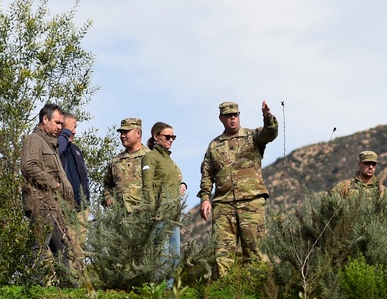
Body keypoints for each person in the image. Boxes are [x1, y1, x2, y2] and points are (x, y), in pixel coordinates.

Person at [198, 100, 278, 278]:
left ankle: (256, 293)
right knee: (221, 253)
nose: (232, 118)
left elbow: (270, 133)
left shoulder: (253, 136)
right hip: (223, 205)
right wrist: (204, 198)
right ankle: (224, 294)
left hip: (251, 202)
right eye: (228, 116)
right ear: (221, 118)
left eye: (235, 115)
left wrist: (267, 117)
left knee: (255, 251)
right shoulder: (214, 145)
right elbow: (206, 173)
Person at [20, 103, 77, 276]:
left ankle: (69, 289)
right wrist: (55, 184)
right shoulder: (34, 140)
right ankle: (33, 288)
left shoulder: (50, 144)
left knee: (63, 251)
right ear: (45, 119)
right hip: (41, 204)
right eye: (58, 122)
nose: (60, 127)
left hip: (55, 206)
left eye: (61, 124)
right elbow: (28, 166)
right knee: (38, 248)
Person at [142, 121, 188, 263]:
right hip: (160, 214)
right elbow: (147, 187)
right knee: (162, 255)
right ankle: (159, 285)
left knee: (175, 256)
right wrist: (153, 211)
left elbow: (174, 180)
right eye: (167, 137)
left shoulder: (168, 160)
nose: (171, 140)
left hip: (174, 213)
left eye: (173, 137)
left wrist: (182, 184)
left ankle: (169, 286)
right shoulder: (150, 157)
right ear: (156, 137)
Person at [57, 112, 91, 254]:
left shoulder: (76, 149)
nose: (74, 132)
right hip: (61, 208)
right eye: (71, 128)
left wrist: (86, 202)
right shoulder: (53, 146)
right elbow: (57, 150)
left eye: (75, 127)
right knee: (57, 253)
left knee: (77, 253)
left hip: (80, 209)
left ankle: (76, 276)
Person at [331, 150, 387, 217]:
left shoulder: (383, 190)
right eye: (367, 163)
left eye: (373, 164)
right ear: (359, 164)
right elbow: (331, 208)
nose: (370, 167)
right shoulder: (345, 186)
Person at [103, 117, 148, 212]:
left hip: (145, 216)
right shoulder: (116, 161)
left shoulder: (150, 157)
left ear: (138, 133)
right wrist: (108, 197)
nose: (122, 136)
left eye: (126, 132)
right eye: (121, 133)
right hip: (121, 217)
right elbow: (107, 185)